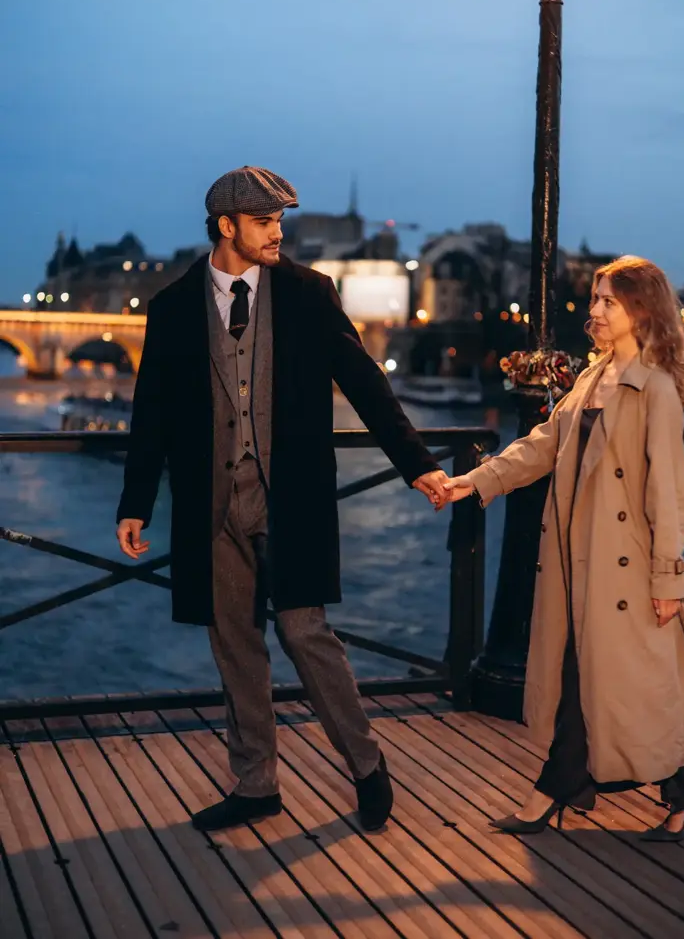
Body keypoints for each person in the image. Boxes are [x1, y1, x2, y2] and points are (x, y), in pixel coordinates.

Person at [116, 166, 449, 833]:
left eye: (280, 220)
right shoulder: (173, 307)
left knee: (306, 634)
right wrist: (136, 502)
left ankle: (366, 765)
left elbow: (365, 383)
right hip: (209, 504)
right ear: (226, 226)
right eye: (266, 221)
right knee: (235, 645)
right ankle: (255, 783)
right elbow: (150, 412)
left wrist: (416, 464)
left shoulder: (308, 293)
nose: (279, 231)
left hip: (289, 498)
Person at [443, 256, 684, 841]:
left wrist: (668, 580)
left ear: (640, 310)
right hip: (573, 558)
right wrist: (478, 480)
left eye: (607, 301)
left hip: (625, 569)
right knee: (587, 681)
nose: (593, 310)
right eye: (595, 299)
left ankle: (588, 789)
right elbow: (543, 445)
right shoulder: (593, 378)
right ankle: (662, 786)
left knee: (618, 690)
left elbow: (670, 493)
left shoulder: (654, 388)